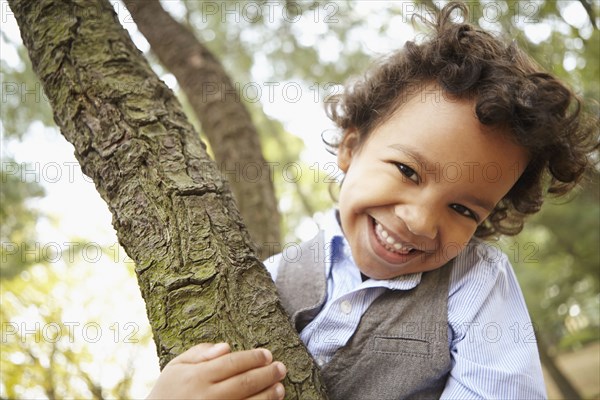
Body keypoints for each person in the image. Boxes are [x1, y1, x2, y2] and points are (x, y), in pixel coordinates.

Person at [149, 2, 597, 399]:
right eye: (407, 171)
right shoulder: (268, 276)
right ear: (350, 148)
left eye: (463, 209)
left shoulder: (474, 281)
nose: (420, 222)